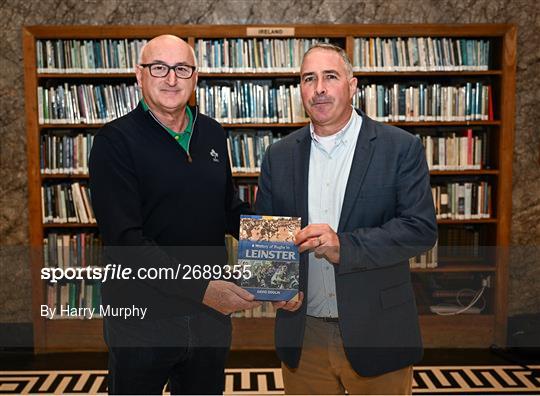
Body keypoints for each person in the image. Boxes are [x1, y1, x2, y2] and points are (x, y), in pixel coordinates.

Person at [255, 43, 437, 394]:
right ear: (301, 90)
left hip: (378, 330)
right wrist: (273, 288)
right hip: (303, 334)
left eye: (330, 76)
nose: (319, 87)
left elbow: (420, 229)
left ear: (352, 86)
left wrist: (345, 246)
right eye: (309, 78)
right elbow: (268, 232)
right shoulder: (278, 156)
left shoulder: (399, 147)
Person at [89, 35, 259, 395]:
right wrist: (202, 289)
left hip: (209, 319)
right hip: (143, 318)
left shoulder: (212, 132)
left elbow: (228, 209)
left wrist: (282, 246)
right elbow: (125, 242)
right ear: (140, 75)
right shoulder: (114, 141)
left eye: (182, 69)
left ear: (195, 77)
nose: (171, 79)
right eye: (159, 68)